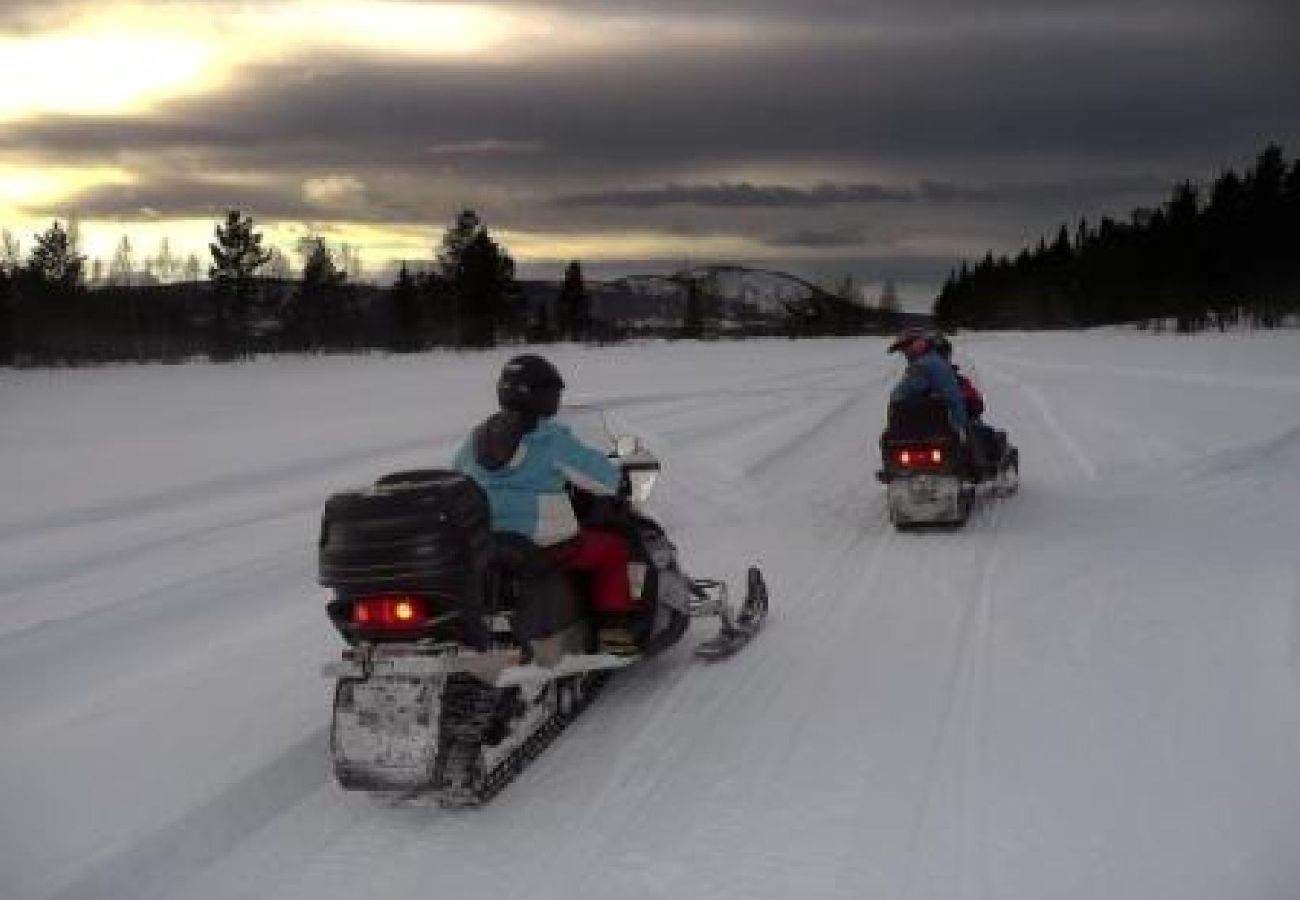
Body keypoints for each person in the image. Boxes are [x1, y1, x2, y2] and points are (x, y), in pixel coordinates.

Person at [453, 355, 639, 655]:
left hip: (489, 539)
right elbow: (597, 475)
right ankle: (613, 631)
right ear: (541, 396)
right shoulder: (550, 438)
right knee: (613, 549)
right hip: (541, 541)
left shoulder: (476, 438)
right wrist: (620, 481)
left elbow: (456, 474)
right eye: (554, 393)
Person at [930, 332, 1005, 478]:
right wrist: (973, 405)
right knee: (986, 435)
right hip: (950, 429)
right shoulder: (955, 380)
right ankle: (985, 471)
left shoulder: (913, 379)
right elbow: (975, 403)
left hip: (922, 432)